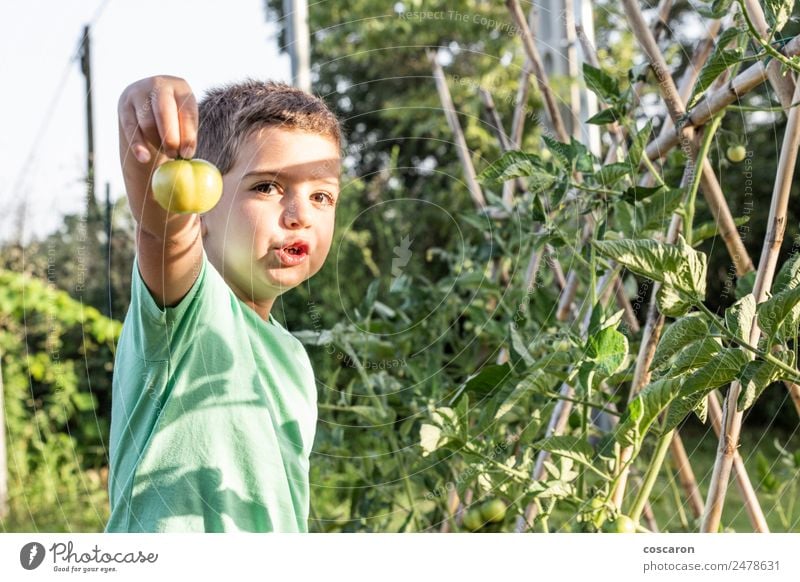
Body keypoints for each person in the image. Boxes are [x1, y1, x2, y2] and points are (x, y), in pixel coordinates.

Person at [105, 75, 342, 532]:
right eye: (267, 187)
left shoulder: (292, 357)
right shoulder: (189, 310)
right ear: (202, 210)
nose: (300, 215)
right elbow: (163, 228)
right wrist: (147, 115)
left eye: (321, 196)